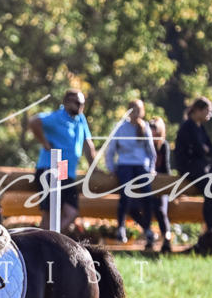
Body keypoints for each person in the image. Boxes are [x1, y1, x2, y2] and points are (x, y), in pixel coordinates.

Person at [29, 89, 96, 232]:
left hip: (65, 170)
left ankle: (51, 237)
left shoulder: (80, 119)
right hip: (50, 167)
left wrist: (93, 167)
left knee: (71, 212)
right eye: (77, 103)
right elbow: (34, 121)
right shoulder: (57, 117)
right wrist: (45, 143)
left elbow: (87, 144)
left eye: (83, 104)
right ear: (66, 102)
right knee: (49, 212)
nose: (80, 107)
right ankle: (43, 243)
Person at [104, 100, 157, 246]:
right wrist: (111, 167)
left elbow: (151, 152)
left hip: (141, 166)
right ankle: (121, 227)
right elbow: (111, 150)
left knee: (147, 196)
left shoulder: (144, 127)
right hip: (125, 165)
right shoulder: (120, 128)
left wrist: (151, 168)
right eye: (133, 110)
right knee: (125, 196)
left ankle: (148, 229)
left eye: (138, 110)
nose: (136, 113)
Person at [174, 97, 212, 234]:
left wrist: (205, 149)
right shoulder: (188, 126)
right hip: (187, 166)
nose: (210, 115)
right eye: (207, 111)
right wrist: (204, 149)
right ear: (198, 110)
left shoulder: (200, 127)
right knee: (210, 189)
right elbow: (199, 149)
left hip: (199, 164)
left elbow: (211, 150)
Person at [147, 117, 173, 252]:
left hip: (161, 184)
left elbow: (166, 167)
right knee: (142, 207)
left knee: (160, 210)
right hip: (146, 185)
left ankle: (166, 239)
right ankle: (149, 236)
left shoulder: (164, 146)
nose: (153, 137)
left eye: (156, 134)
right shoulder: (145, 145)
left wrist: (168, 184)